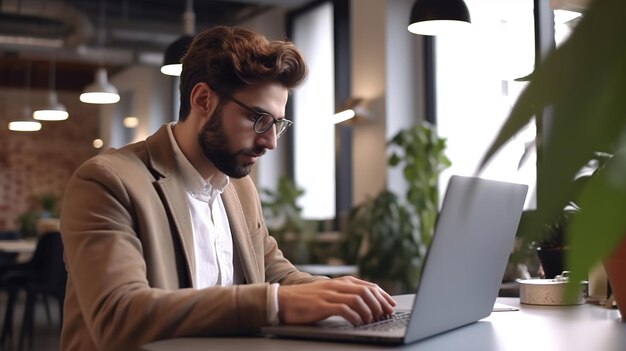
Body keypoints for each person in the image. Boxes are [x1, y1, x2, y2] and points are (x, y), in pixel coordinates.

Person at [59, 26, 396, 351]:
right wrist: (274, 303)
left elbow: (274, 273)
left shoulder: (240, 188)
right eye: (258, 119)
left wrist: (336, 293)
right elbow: (118, 316)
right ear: (203, 99)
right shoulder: (108, 181)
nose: (270, 142)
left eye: (277, 125)